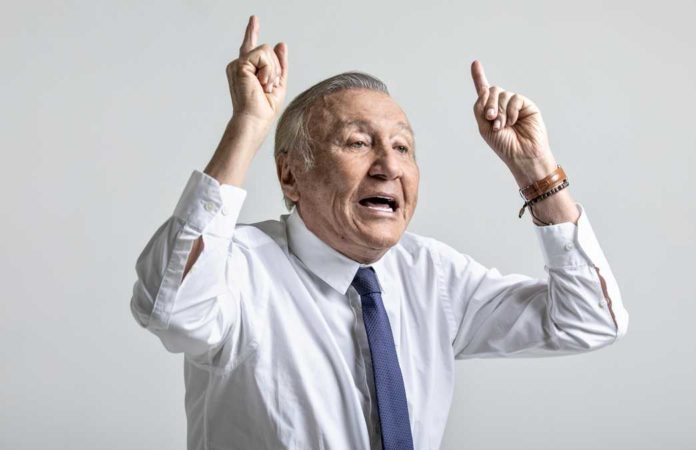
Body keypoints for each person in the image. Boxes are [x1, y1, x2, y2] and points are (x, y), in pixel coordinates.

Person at [130, 14, 629, 450]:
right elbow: (170, 310)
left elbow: (588, 320)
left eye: (403, 147)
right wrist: (248, 124)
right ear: (289, 175)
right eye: (357, 143)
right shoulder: (238, 266)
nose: (389, 166)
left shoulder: (432, 274)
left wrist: (535, 170)